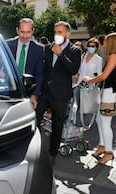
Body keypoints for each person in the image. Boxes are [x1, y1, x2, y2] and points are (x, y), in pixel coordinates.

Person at [36, 21, 82, 157]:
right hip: (45, 92)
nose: (57, 35)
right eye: (55, 32)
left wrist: (61, 55)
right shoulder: (48, 48)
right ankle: (36, 147)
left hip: (61, 94)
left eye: (60, 32)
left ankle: (53, 152)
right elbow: (45, 70)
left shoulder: (75, 51)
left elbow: (73, 70)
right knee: (35, 119)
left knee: (57, 125)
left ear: (68, 34)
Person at [84, 32, 116, 165]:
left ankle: (109, 152)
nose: (104, 44)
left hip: (109, 93)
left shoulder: (113, 56)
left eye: (106, 42)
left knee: (105, 124)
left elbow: (103, 76)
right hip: (114, 93)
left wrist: (90, 79)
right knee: (99, 120)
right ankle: (102, 146)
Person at [7, 18, 45, 109]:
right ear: (17, 30)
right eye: (22, 32)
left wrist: (34, 95)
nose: (24, 36)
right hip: (8, 90)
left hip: (28, 93)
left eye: (28, 32)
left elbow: (39, 74)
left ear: (33, 31)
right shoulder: (8, 45)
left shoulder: (38, 49)